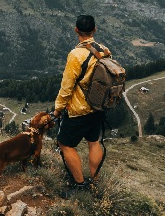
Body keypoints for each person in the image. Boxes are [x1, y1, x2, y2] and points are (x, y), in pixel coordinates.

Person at [52, 14, 111, 197]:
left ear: (76, 30)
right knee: (93, 142)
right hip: (98, 107)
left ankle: (80, 185)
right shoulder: (104, 50)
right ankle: (95, 181)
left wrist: (58, 108)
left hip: (78, 110)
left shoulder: (76, 55)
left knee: (65, 144)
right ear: (95, 30)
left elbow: (67, 86)